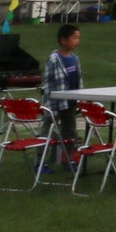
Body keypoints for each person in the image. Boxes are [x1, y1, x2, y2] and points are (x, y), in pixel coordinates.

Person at [41, 25, 83, 169]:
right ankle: (40, 161)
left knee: (70, 131)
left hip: (70, 103)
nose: (77, 41)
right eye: (75, 38)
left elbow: (78, 81)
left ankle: (68, 160)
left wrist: (80, 98)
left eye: (79, 38)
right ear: (63, 40)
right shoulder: (54, 59)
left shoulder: (74, 58)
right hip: (55, 104)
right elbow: (48, 83)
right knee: (48, 131)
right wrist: (50, 102)